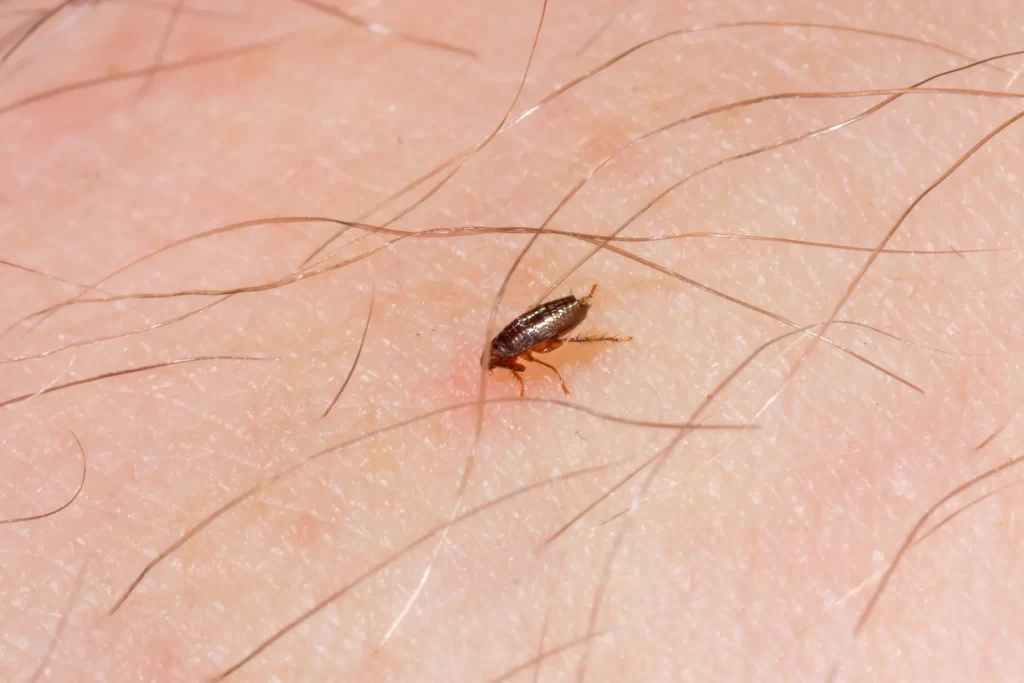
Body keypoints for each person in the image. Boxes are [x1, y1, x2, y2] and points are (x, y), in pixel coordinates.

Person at [3, 1, 1021, 680]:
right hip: (549, 306)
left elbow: (535, 329)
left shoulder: (519, 342)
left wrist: (544, 335)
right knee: (570, 329)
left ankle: (596, 313)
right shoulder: (510, 342)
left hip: (553, 306)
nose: (509, 364)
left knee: (573, 330)